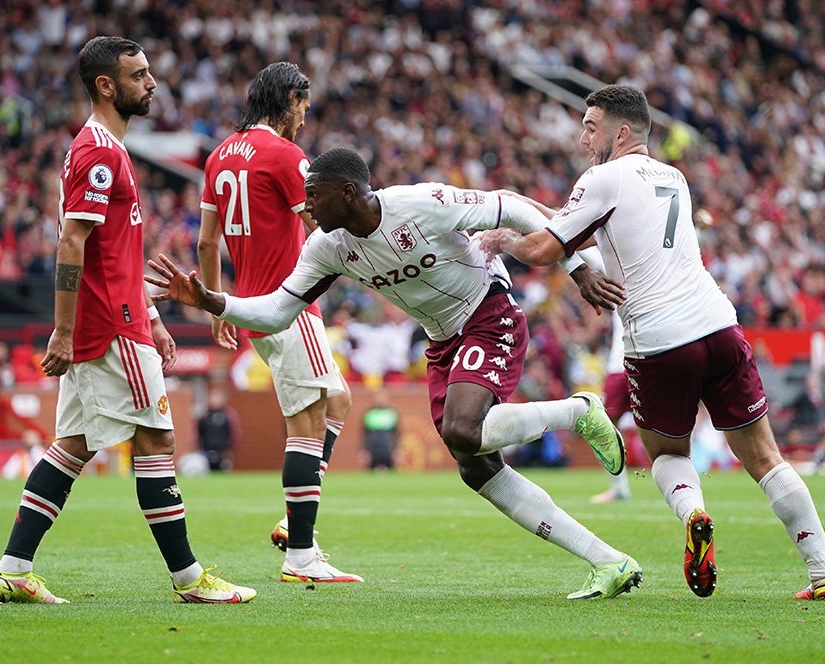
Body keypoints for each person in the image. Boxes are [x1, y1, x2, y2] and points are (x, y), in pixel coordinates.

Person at [148, 146, 644, 600]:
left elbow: (510, 205)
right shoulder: (326, 248)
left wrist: (579, 269)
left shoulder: (420, 202)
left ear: (348, 193)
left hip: (488, 313)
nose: (306, 206)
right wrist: (215, 302)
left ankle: (578, 410)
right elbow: (278, 311)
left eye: (313, 195)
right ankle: (609, 561)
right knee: (474, 465)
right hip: (442, 341)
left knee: (462, 430)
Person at [479, 84, 825, 601]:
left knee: (667, 454)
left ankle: (695, 514)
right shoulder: (675, 177)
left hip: (658, 340)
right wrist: (577, 263)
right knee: (766, 457)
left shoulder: (603, 178)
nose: (584, 139)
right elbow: (584, 232)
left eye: (590, 126)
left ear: (620, 132)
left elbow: (544, 246)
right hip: (718, 324)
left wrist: (504, 240)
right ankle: (824, 574)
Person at [0, 36, 255, 605]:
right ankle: (190, 579)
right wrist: (63, 328)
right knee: (156, 437)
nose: (151, 83)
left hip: (119, 315)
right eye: (138, 75)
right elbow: (72, 241)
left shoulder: (103, 148)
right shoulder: (101, 153)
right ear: (105, 85)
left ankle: (12, 568)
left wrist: (155, 316)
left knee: (72, 445)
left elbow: (117, 253)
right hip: (110, 323)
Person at [197, 62, 357, 583]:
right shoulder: (287, 156)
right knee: (307, 426)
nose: (303, 121)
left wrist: (216, 301)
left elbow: (206, 241)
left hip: (251, 305)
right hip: (290, 304)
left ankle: (294, 524)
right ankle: (301, 553)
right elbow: (322, 225)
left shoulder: (219, 154)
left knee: (338, 401)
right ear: (288, 98)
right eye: (303, 108)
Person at [590, 313, 632, 504]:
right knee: (606, 425)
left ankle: (678, 484)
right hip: (619, 365)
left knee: (660, 423)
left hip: (641, 361)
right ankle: (619, 487)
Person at [196, 388, 238, 472]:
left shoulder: (228, 415)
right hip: (206, 452)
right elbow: (198, 432)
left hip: (222, 453)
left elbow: (234, 434)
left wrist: (228, 450)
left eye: (216, 398)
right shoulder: (205, 415)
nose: (213, 400)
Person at [362, 389, 399, 470]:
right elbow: (364, 434)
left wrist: (396, 450)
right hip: (373, 450)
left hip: (388, 449)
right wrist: (364, 451)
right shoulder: (369, 413)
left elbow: (396, 434)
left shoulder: (392, 412)